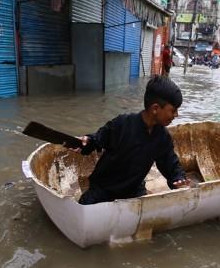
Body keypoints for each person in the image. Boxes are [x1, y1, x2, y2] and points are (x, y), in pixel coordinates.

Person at [73, 76, 189, 205]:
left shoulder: (162, 137)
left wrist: (178, 179)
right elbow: (99, 138)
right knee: (83, 207)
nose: (176, 115)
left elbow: (170, 163)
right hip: (105, 187)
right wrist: (87, 141)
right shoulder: (122, 124)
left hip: (134, 188)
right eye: (173, 110)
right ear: (155, 108)